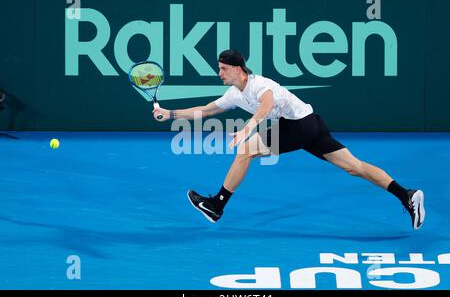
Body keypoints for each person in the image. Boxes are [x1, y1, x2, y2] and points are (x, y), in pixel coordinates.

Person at [152, 49, 425, 230]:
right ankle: (407, 195)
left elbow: (267, 102)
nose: (219, 73)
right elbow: (208, 109)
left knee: (245, 151)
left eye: (224, 68)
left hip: (300, 125)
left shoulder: (259, 85)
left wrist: (249, 127)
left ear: (239, 69)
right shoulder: (235, 93)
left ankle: (217, 205)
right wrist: (170, 113)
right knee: (354, 167)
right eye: (219, 68)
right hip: (312, 123)